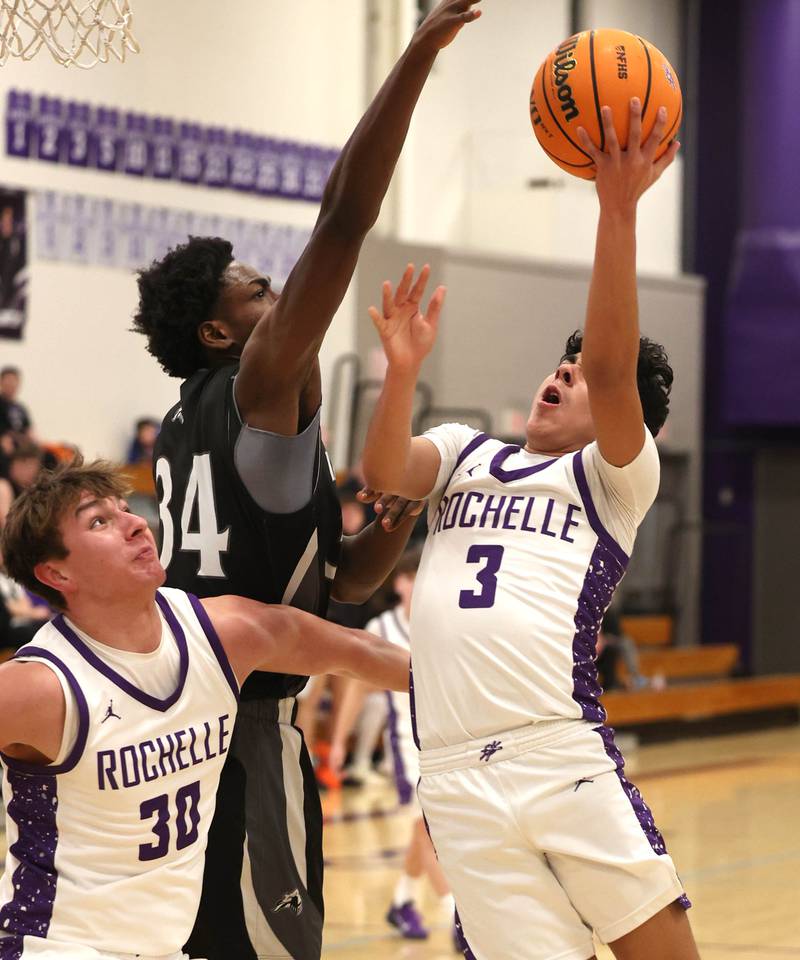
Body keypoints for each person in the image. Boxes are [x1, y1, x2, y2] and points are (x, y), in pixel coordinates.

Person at [132, 5, 483, 958]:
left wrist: (395, 520)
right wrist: (417, 55)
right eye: (261, 294)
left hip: (189, 726)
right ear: (220, 333)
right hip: (247, 734)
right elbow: (344, 218)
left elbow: (344, 584)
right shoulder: (255, 387)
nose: (286, 297)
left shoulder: (184, 425)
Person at [359, 99, 700, 960]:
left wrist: (616, 210)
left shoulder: (615, 479)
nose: (565, 373)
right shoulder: (463, 450)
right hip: (453, 773)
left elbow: (615, 373)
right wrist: (399, 373)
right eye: (562, 363)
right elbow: (385, 472)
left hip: (558, 753)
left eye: (581, 376)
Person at [0, 456, 410, 960]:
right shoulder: (40, 686)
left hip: (165, 948)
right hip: (56, 946)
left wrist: (480, 692)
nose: (135, 524)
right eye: (99, 521)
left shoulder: (221, 633)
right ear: (56, 572)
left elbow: (359, 653)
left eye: (125, 509)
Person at [330, 546, 455, 942]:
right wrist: (338, 743)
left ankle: (403, 901)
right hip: (407, 749)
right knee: (428, 829)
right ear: (401, 583)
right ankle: (457, 916)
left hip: (448, 745)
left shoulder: (445, 621)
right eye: (418, 578)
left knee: (426, 830)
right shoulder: (382, 628)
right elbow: (356, 689)